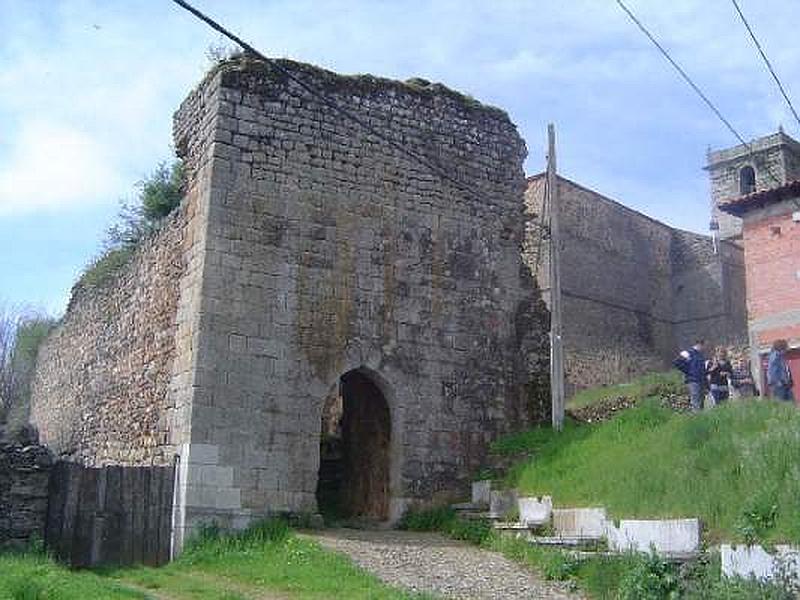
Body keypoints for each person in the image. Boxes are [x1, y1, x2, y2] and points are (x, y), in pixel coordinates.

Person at [673, 339, 707, 412]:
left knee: (701, 402)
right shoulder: (687, 353)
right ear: (699, 344)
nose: (704, 348)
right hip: (692, 380)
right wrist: (687, 370)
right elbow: (676, 362)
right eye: (704, 346)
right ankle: (696, 420)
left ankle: (701, 419)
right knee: (695, 401)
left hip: (701, 381)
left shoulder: (700, 355)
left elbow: (703, 370)